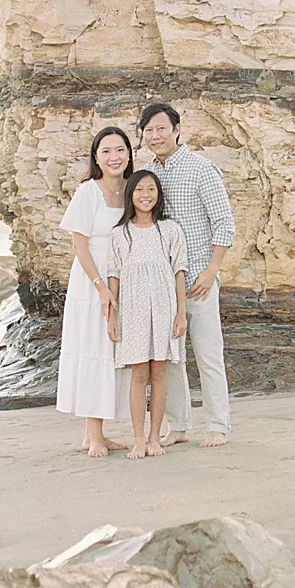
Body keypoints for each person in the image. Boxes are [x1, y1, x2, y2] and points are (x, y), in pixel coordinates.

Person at [139, 102, 234, 448]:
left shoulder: (201, 169)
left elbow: (224, 222)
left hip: (198, 280)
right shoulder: (148, 175)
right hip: (162, 284)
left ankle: (219, 425)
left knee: (209, 355)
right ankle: (179, 425)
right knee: (171, 359)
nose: (155, 135)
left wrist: (212, 270)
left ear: (177, 129)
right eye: (148, 130)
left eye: (161, 128)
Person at [56, 126, 135, 457]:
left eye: (120, 150)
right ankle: (93, 433)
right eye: (106, 151)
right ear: (96, 157)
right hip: (93, 281)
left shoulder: (132, 189)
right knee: (94, 348)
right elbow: (80, 245)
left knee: (113, 353)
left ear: (129, 154)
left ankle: (98, 432)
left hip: (122, 277)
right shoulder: (88, 191)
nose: (114, 157)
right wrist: (100, 287)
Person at [106, 169, 188, 460]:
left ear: (158, 194)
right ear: (130, 194)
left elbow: (180, 273)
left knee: (160, 371)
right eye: (139, 189)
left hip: (164, 307)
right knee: (139, 372)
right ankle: (138, 439)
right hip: (133, 308)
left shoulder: (170, 230)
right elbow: (113, 277)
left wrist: (181, 313)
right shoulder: (120, 234)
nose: (145, 195)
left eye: (151, 189)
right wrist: (112, 318)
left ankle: (156, 437)